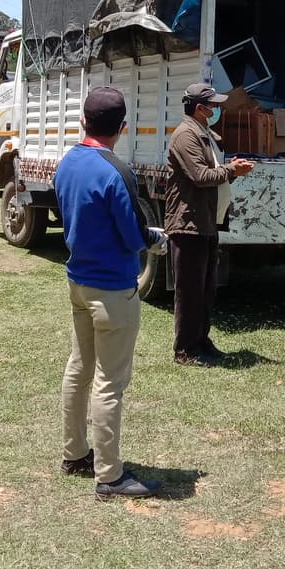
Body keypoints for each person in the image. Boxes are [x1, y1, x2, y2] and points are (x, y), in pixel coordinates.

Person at [54, 86, 169, 499]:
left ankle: (74, 454)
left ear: (83, 121)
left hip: (78, 282)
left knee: (79, 368)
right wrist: (155, 238)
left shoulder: (67, 163)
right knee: (109, 382)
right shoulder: (117, 171)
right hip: (112, 290)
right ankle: (109, 475)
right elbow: (133, 235)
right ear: (122, 128)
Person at [165, 82, 255, 366]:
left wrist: (231, 170)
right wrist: (231, 170)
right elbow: (201, 176)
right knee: (190, 291)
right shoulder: (185, 135)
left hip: (206, 221)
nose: (217, 109)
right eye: (213, 105)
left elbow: (213, 173)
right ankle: (185, 350)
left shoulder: (203, 133)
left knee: (205, 289)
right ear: (200, 108)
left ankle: (201, 341)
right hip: (189, 223)